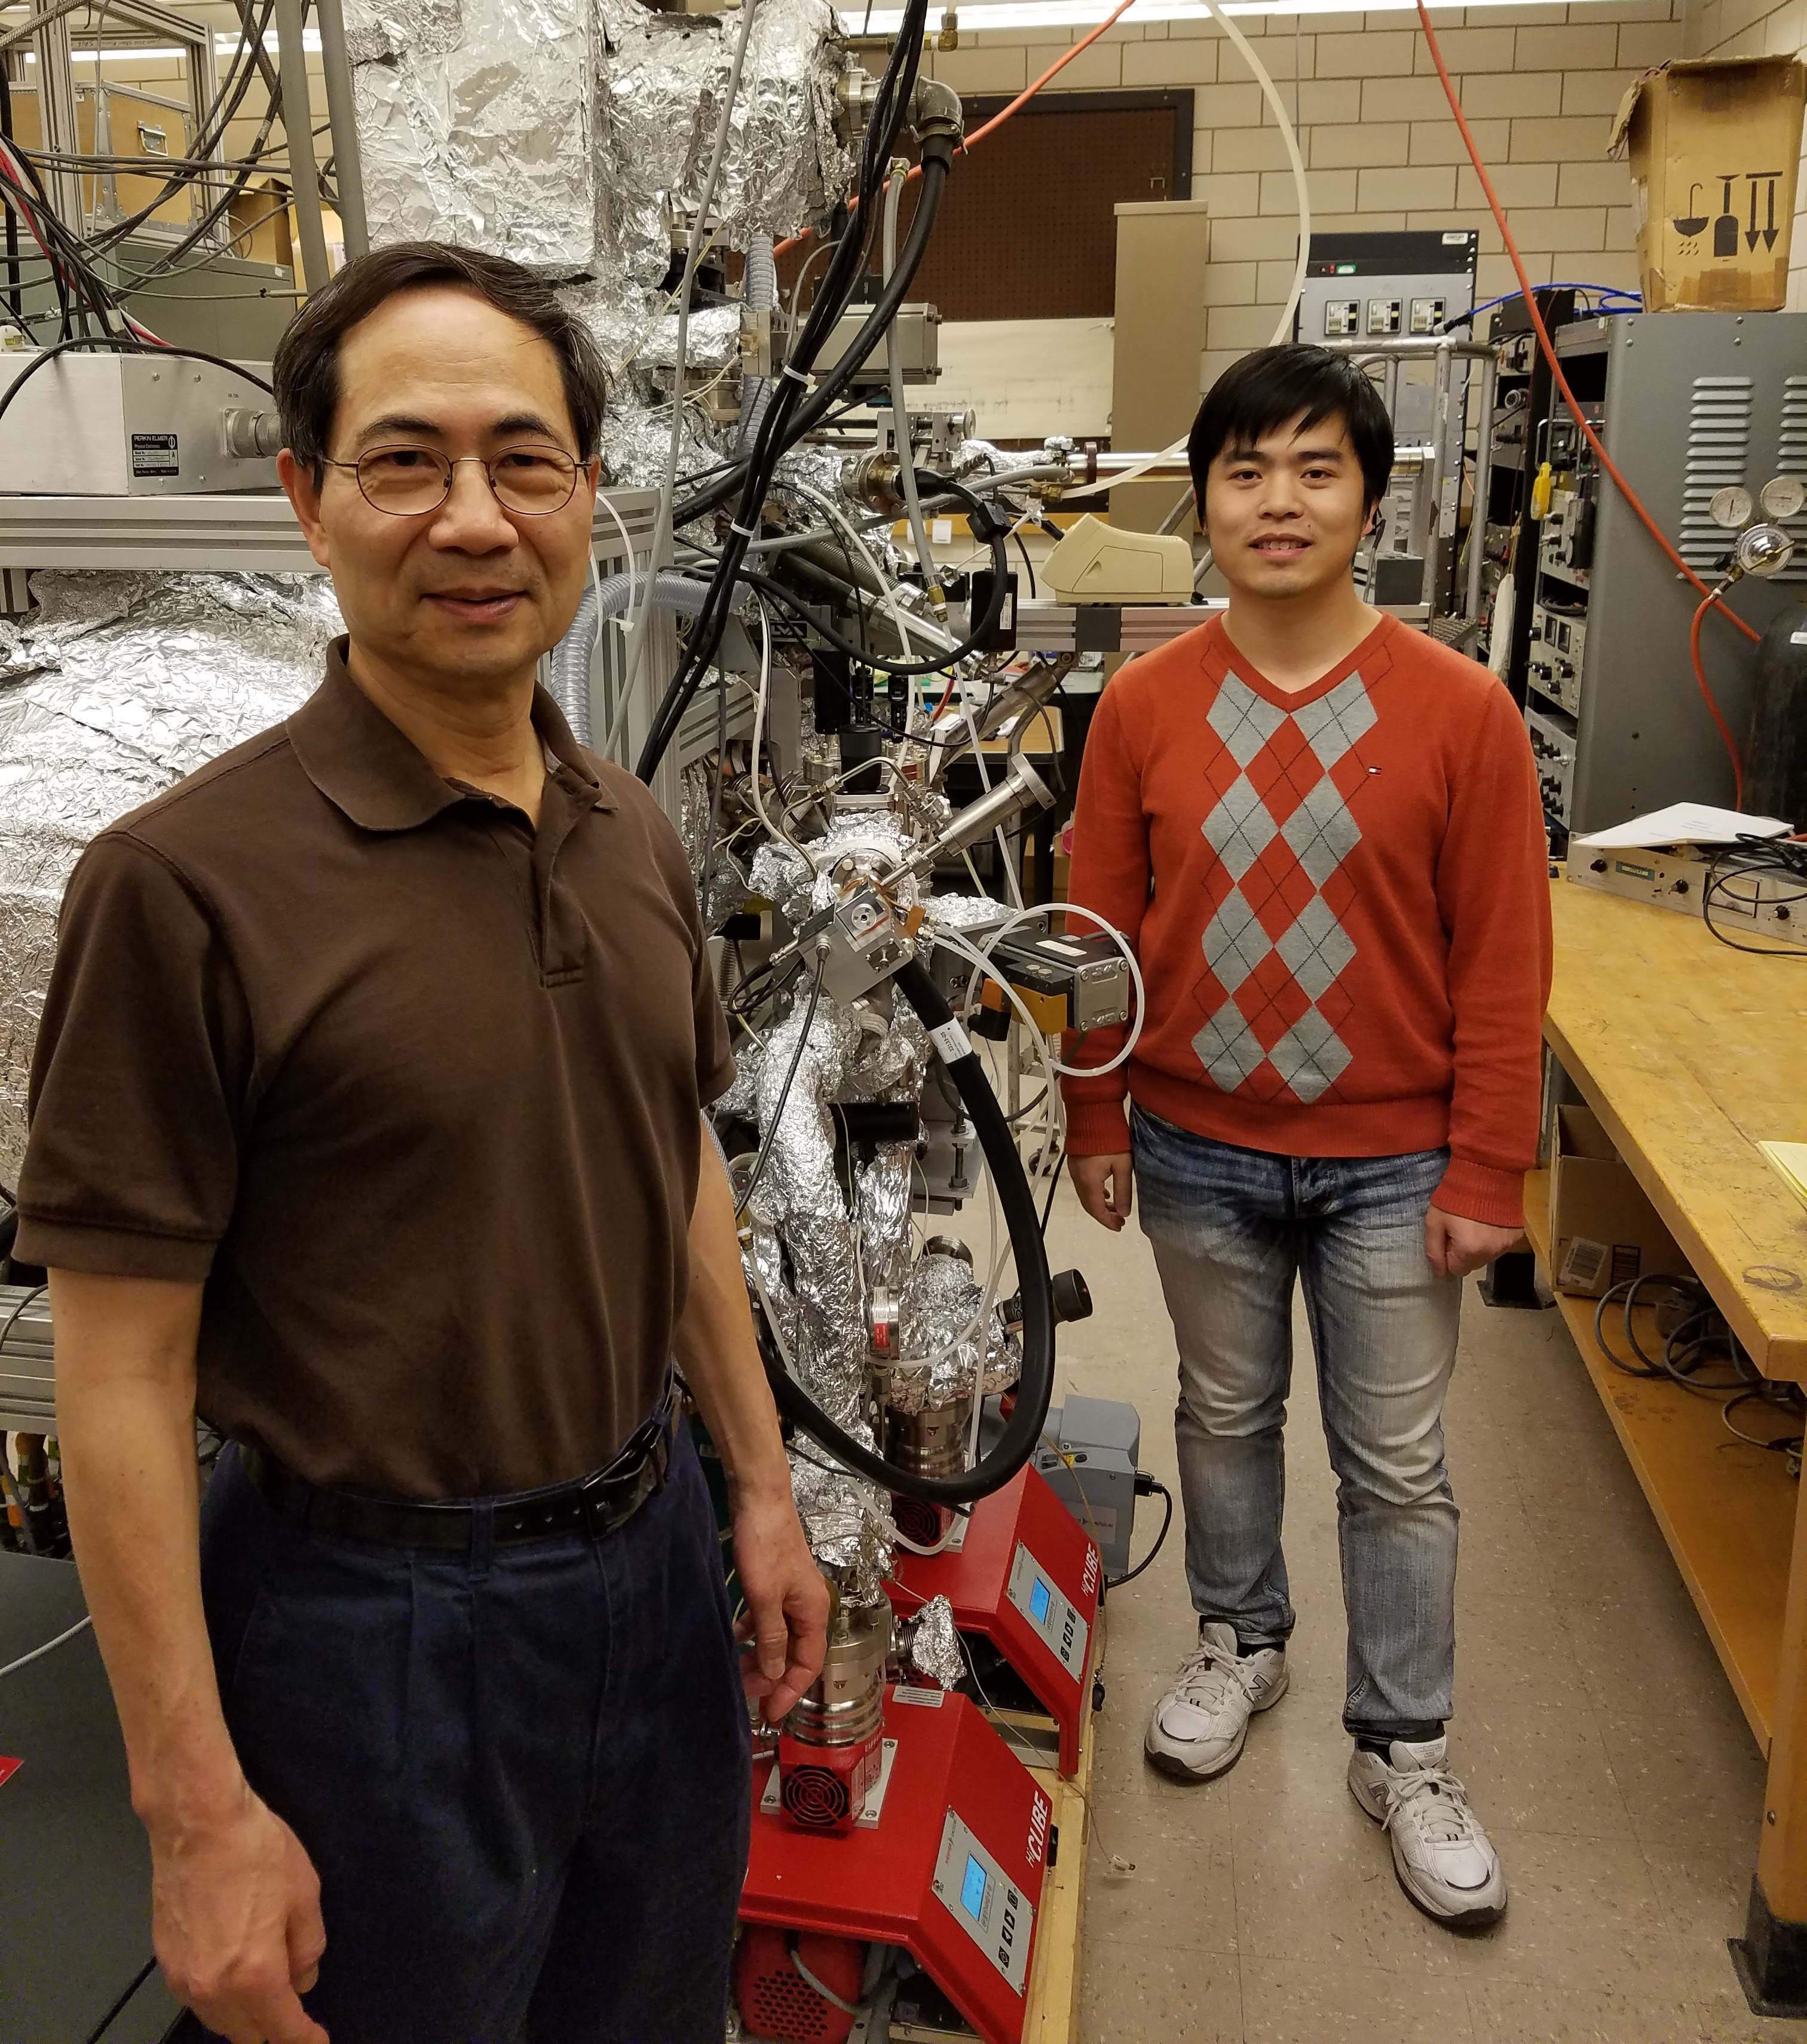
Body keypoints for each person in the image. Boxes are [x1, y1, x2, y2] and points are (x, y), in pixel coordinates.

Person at [15, 241, 828, 2044]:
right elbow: (121, 1373)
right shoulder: (182, 888)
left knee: (655, 2005)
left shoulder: (627, 825)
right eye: (407, 461)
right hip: (370, 1625)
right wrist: (194, 1807)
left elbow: (671, 1160)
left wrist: (758, 1483)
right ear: (308, 500)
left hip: (652, 1561)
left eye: (522, 461)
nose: (474, 516)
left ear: (588, 497)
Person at [1061, 344, 1550, 1930]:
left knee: (1398, 1467)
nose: (1281, 501)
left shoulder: (1461, 712)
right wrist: (1091, 1107)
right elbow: (1098, 934)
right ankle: (1239, 1640)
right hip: (1197, 1142)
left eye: (1316, 468)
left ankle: (1405, 1744)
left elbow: (1501, 957)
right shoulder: (1141, 703)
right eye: (1248, 470)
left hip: (1396, 1164)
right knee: (1221, 1410)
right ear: (1203, 499)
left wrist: (1488, 1163)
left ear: (1370, 495)